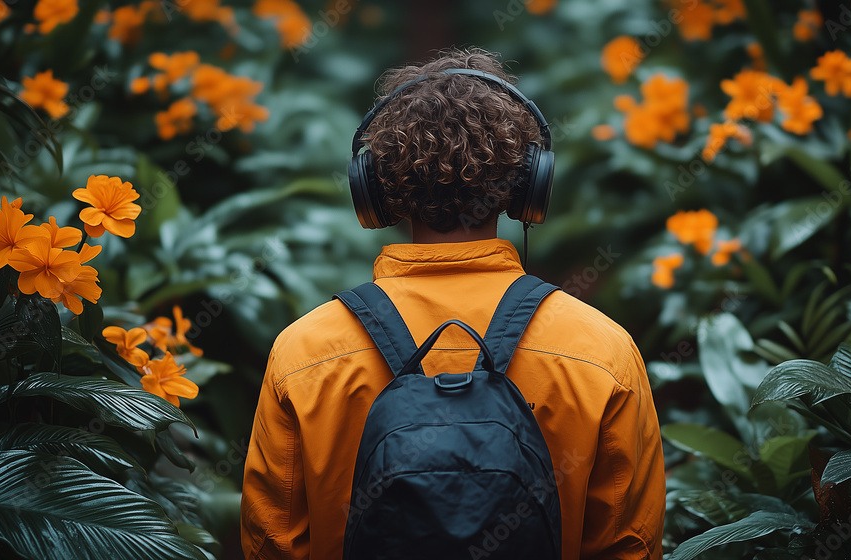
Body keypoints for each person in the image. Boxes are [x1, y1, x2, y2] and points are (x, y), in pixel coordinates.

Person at [240, 47, 665, 559]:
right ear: (526, 185)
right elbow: (629, 546)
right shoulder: (602, 352)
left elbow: (273, 545)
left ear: (376, 190)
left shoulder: (304, 353)